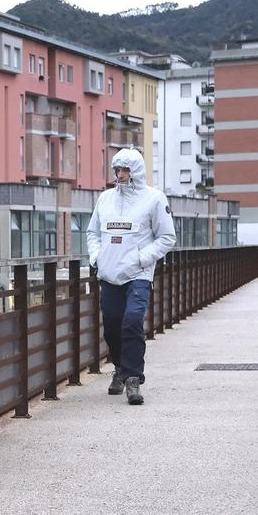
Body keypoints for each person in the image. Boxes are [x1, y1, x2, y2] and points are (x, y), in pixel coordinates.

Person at [87, 148, 176, 405]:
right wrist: (96, 257)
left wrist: (141, 259)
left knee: (132, 321)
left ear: (136, 172)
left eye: (125, 170)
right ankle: (120, 369)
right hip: (109, 273)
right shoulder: (105, 199)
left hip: (138, 274)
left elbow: (167, 237)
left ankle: (133, 379)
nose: (120, 174)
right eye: (117, 169)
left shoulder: (154, 199)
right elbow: (92, 233)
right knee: (113, 326)